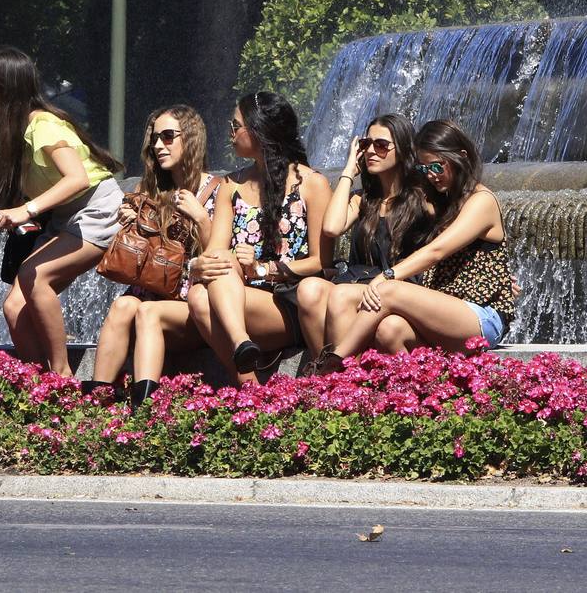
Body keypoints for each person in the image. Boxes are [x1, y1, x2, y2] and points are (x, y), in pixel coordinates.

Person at [0, 47, 123, 376]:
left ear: (8, 85)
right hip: (59, 215)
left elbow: (78, 178)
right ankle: (40, 383)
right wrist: (18, 214)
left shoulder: (45, 126)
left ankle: (61, 376)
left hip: (95, 208)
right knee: (13, 307)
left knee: (35, 277)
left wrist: (27, 210)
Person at [317, 119, 516, 370]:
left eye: (437, 166)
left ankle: (333, 366)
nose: (431, 175)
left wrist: (386, 276)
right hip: (445, 307)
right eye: (424, 169)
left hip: (481, 317)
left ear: (462, 157)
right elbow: (333, 227)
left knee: (388, 289)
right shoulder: (441, 200)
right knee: (390, 329)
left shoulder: (482, 201)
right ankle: (406, 399)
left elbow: (437, 250)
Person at [188, 92, 331, 384]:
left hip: (290, 304)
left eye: (235, 126)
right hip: (236, 298)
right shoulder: (230, 185)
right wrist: (198, 266)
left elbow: (321, 262)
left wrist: (264, 269)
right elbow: (215, 252)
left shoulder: (313, 185)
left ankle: (246, 370)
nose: (230, 133)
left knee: (207, 289)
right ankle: (247, 373)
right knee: (200, 292)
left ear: (259, 130)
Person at [84, 105, 220, 407]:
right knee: (122, 305)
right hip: (151, 293)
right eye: (155, 139)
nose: (159, 146)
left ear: (192, 138)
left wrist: (201, 219)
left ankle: (144, 411)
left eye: (168, 136)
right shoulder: (150, 190)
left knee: (146, 311)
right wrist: (135, 223)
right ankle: (98, 402)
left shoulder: (218, 191)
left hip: (193, 304)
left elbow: (219, 256)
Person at [295, 114, 432, 364]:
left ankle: (342, 376)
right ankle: (324, 371)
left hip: (398, 290)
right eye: (365, 144)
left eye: (381, 145)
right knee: (309, 288)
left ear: (402, 150)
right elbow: (331, 228)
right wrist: (349, 171)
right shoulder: (363, 199)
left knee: (340, 294)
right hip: (360, 285)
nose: (371, 151)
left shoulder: (422, 199)